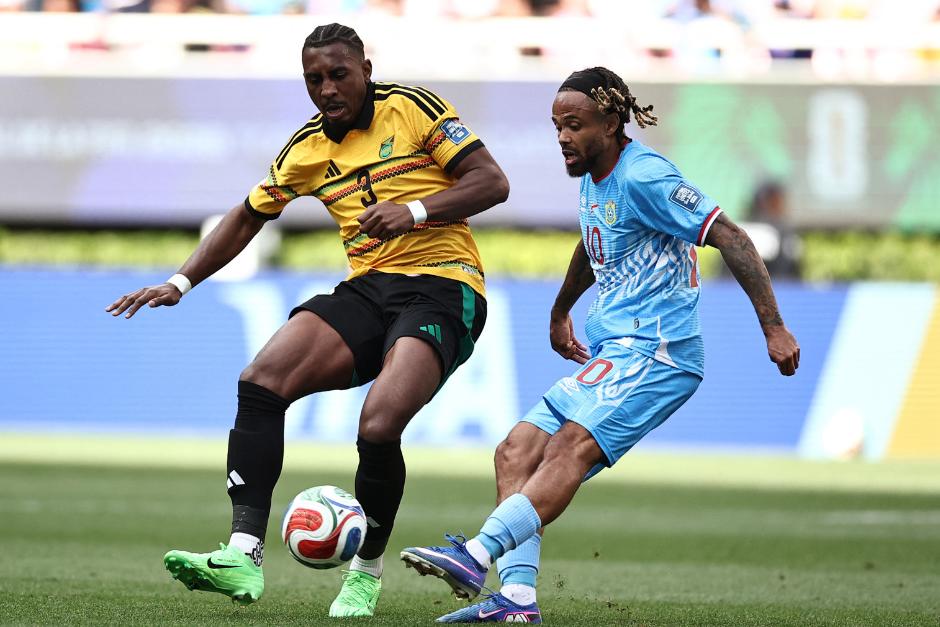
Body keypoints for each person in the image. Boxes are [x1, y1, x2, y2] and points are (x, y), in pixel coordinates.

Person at [106, 22, 508, 618]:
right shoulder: (306, 150)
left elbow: (492, 182)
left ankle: (365, 571)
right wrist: (180, 281)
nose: (327, 88)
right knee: (260, 382)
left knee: (377, 424)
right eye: (313, 79)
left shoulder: (415, 109)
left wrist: (416, 209)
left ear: (365, 70)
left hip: (445, 288)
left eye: (338, 74)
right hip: (370, 289)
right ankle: (243, 552)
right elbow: (247, 216)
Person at [399, 66, 799, 623]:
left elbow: (729, 234)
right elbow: (593, 244)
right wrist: (562, 309)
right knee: (516, 450)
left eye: (575, 124)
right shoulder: (594, 176)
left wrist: (773, 326)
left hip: (660, 353)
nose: (563, 135)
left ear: (611, 123)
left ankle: (475, 554)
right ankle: (515, 602)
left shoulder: (646, 177)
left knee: (567, 448)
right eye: (557, 124)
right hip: (616, 353)